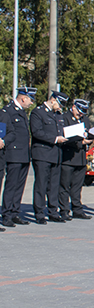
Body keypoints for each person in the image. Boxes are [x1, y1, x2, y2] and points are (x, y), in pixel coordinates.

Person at [0, 86, 37, 228]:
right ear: (23, 98)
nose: (31, 103)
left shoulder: (21, 112)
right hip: (13, 153)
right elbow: (4, 133)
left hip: (23, 154)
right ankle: (7, 214)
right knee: (11, 185)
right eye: (30, 100)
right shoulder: (7, 111)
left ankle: (15, 212)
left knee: (19, 186)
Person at [30, 91, 69, 224]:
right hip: (42, 153)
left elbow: (62, 130)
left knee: (53, 185)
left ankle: (53, 211)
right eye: (59, 104)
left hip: (56, 154)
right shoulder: (38, 112)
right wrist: (55, 139)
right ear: (53, 100)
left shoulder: (58, 114)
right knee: (41, 184)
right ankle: (39, 213)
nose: (60, 108)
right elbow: (36, 132)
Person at [59, 99, 94, 220]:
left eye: (83, 112)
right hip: (68, 157)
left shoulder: (85, 119)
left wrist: (89, 139)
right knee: (64, 185)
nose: (81, 114)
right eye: (79, 111)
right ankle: (64, 210)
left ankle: (77, 209)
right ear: (73, 107)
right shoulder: (64, 117)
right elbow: (65, 136)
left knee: (77, 186)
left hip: (80, 157)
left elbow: (87, 133)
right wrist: (80, 141)